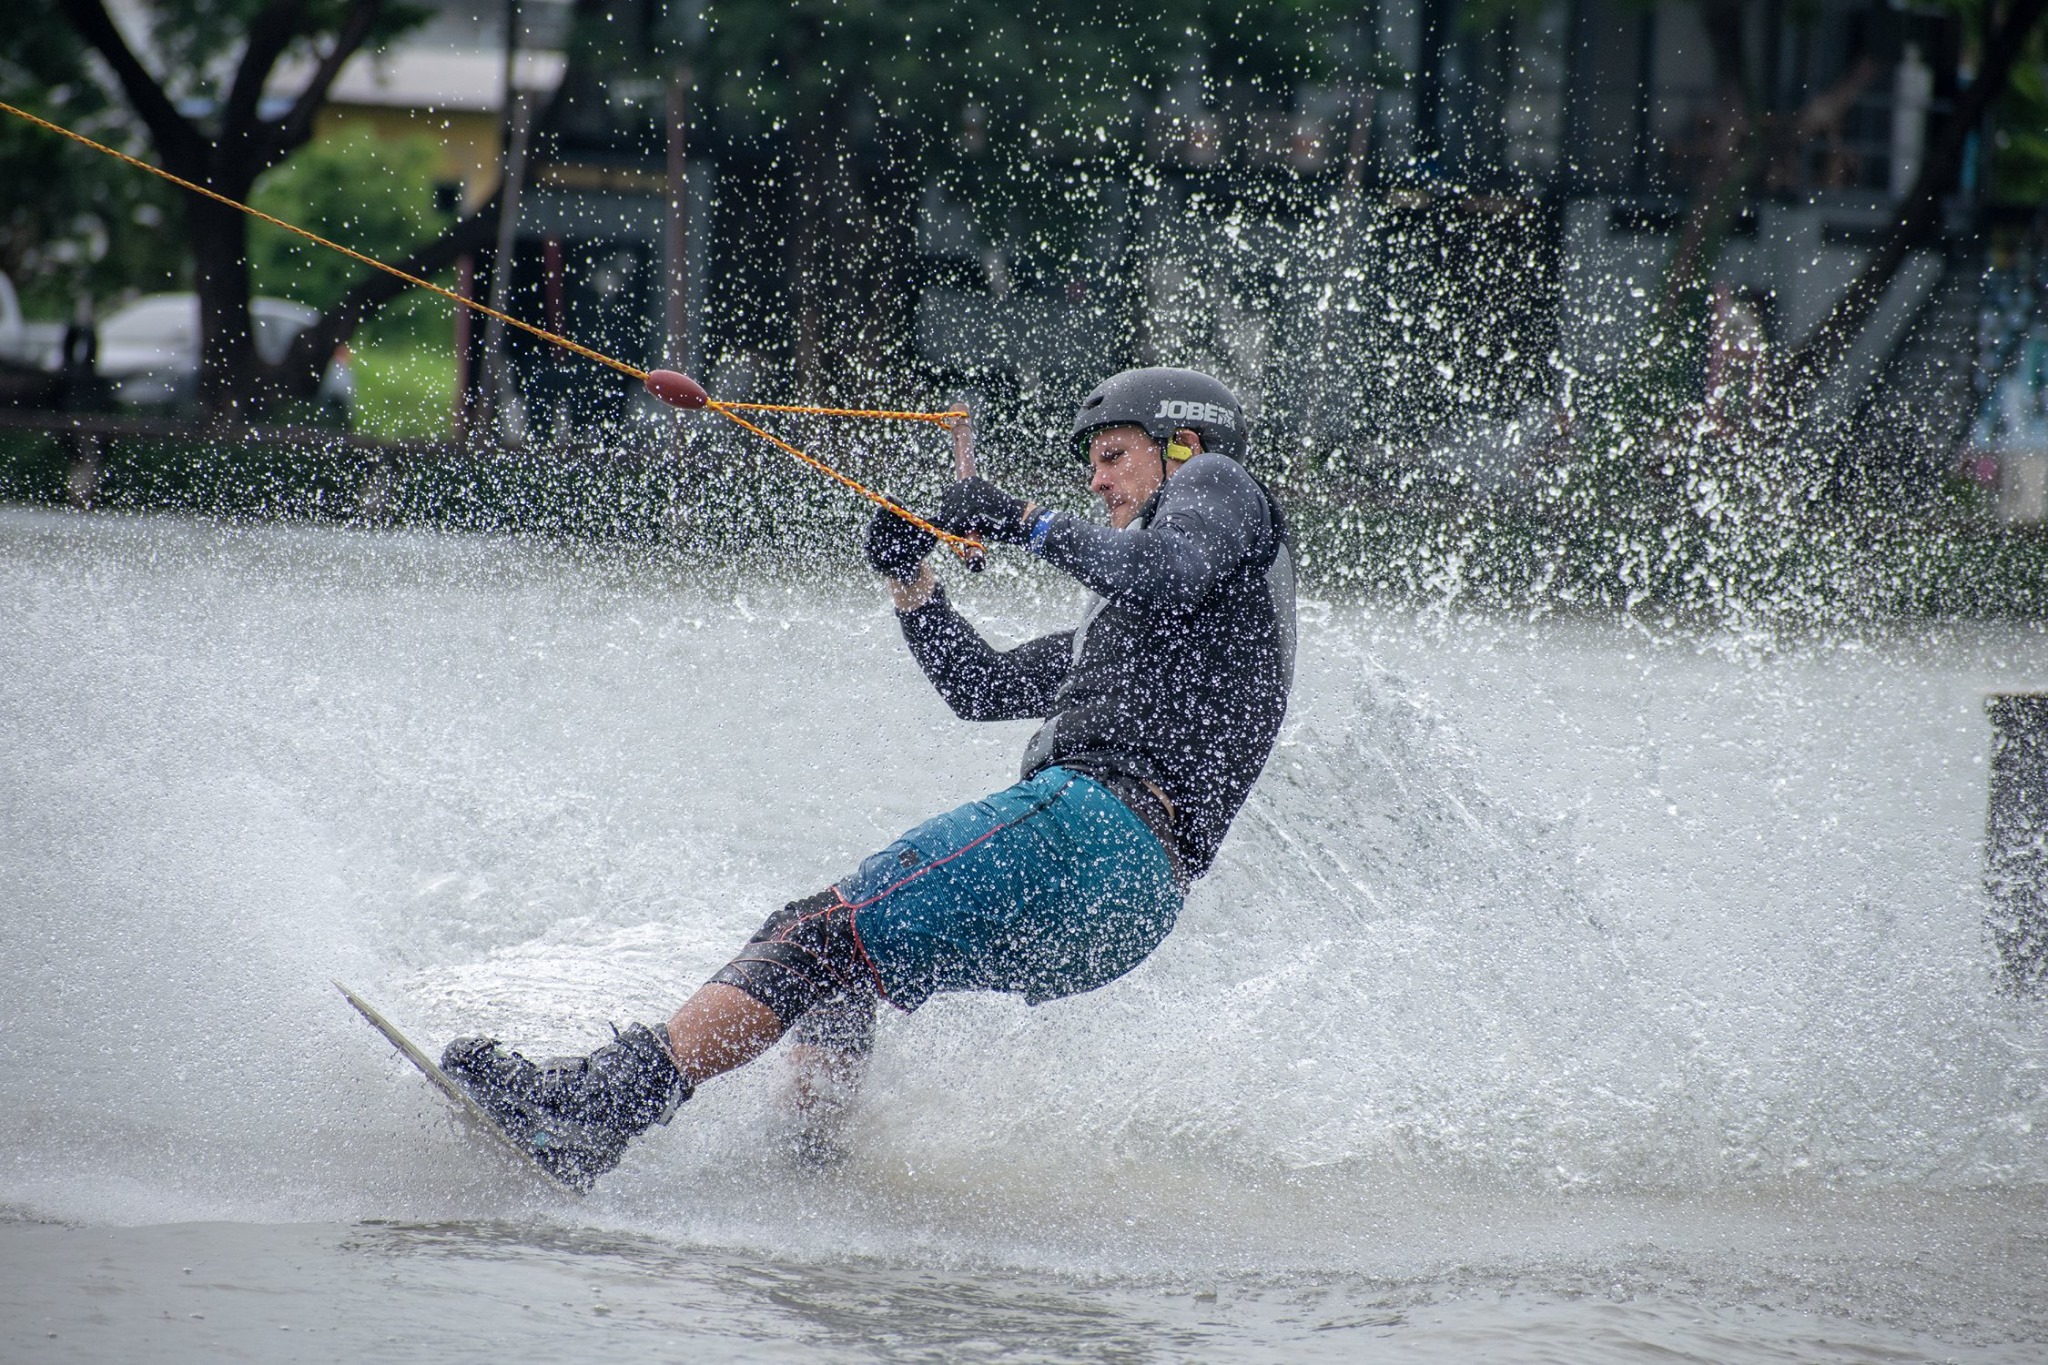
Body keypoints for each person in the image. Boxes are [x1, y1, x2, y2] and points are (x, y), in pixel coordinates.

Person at [440, 367, 1298, 1189]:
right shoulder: (1143, 625)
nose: (1099, 483)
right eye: (1092, 467)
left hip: (1098, 835)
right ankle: (803, 1170)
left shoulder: (1220, 484)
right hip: (1126, 905)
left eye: (1114, 456)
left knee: (817, 930)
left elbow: (1168, 566)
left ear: (1181, 444)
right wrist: (909, 582)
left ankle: (600, 1110)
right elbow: (982, 686)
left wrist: (1024, 520)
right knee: (843, 965)